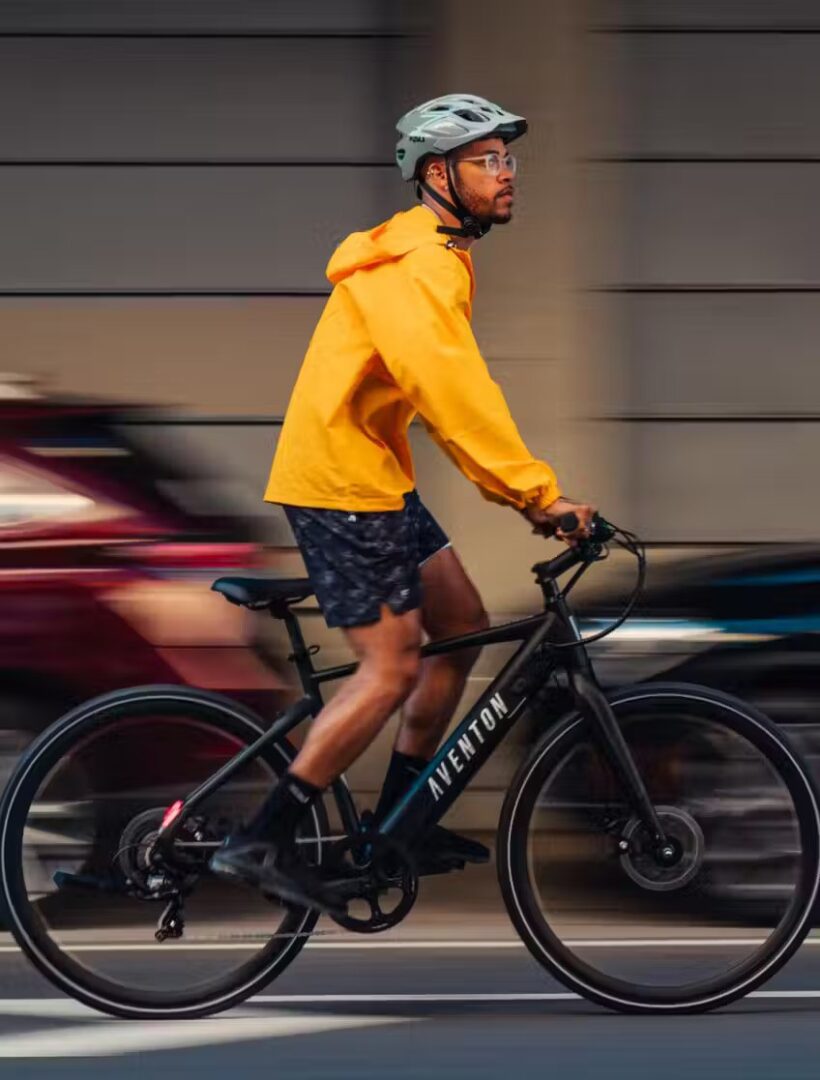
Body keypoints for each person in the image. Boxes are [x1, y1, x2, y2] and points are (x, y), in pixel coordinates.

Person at [211, 93, 596, 911]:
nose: (508, 174)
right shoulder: (416, 264)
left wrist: (523, 495)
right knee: (388, 671)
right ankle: (263, 837)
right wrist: (537, 495)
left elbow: (446, 396)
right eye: (489, 160)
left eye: (508, 159)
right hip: (343, 488)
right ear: (438, 173)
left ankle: (400, 822)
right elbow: (454, 392)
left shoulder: (440, 251)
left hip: (376, 482)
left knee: (458, 626)